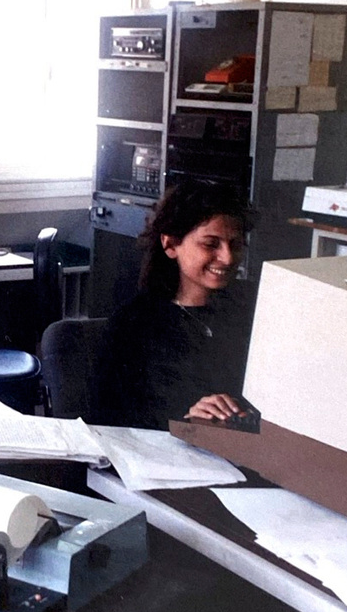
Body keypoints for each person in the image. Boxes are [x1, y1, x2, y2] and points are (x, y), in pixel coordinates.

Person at [96, 180, 257, 430]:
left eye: (235, 245)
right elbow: (113, 423)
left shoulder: (255, 310)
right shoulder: (133, 324)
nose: (227, 258)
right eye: (210, 244)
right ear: (170, 245)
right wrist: (186, 422)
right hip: (173, 458)